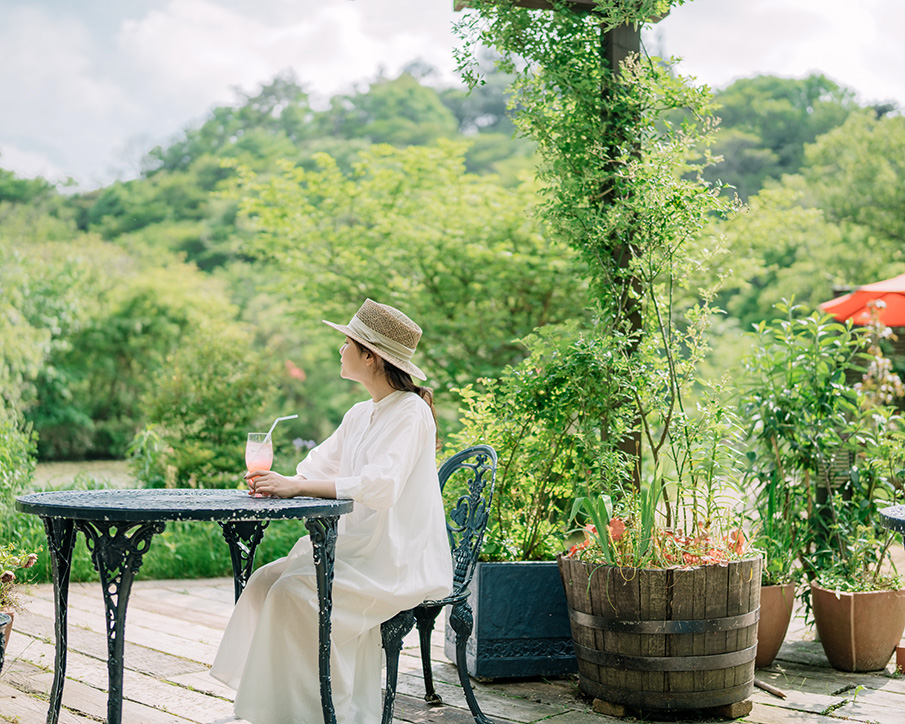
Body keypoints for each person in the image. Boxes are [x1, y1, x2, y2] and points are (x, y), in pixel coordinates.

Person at [210, 299, 453, 724]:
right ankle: (276, 708)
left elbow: (382, 486)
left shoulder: (411, 413)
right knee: (266, 580)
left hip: (394, 558)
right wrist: (278, 480)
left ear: (370, 356)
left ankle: (319, 712)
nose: (339, 350)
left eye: (346, 342)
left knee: (292, 593)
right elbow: (313, 468)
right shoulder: (360, 414)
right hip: (356, 548)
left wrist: (298, 486)